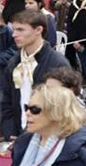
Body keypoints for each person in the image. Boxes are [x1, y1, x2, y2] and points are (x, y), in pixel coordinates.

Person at [1, 10, 70, 141]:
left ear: (38, 30)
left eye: (21, 30)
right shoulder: (13, 64)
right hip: (20, 135)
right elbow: (6, 101)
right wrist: (10, 132)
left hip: (49, 136)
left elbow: (64, 106)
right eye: (14, 29)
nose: (14, 34)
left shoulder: (57, 63)